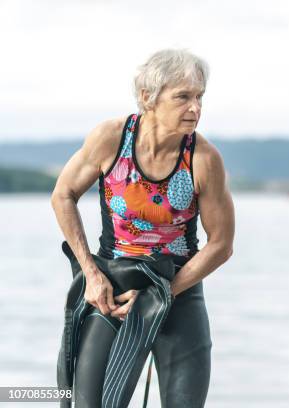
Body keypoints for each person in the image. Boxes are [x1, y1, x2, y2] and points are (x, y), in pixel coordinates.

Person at [51, 49, 235, 407]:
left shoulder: (203, 159)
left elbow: (221, 244)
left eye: (200, 97)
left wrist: (161, 294)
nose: (195, 108)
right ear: (148, 97)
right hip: (112, 291)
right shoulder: (110, 138)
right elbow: (63, 195)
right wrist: (91, 274)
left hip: (178, 288)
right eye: (183, 97)